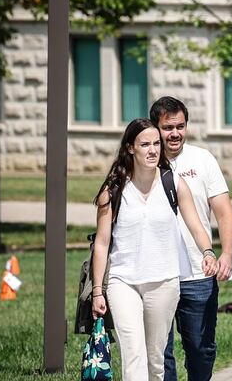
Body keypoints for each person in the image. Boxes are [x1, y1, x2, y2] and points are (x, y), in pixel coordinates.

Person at [91, 118, 216, 381]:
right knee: (133, 355)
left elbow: (195, 226)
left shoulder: (174, 184)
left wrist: (208, 252)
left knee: (155, 361)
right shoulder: (113, 190)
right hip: (123, 282)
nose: (152, 150)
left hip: (164, 282)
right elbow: (102, 243)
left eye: (156, 143)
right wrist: (97, 291)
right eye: (145, 144)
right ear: (130, 148)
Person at [149, 97, 232, 381]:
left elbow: (224, 213)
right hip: (155, 273)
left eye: (180, 126)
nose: (175, 133)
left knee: (201, 349)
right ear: (155, 128)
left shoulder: (202, 160)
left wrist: (226, 254)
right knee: (159, 353)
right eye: (167, 127)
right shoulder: (143, 161)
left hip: (199, 273)